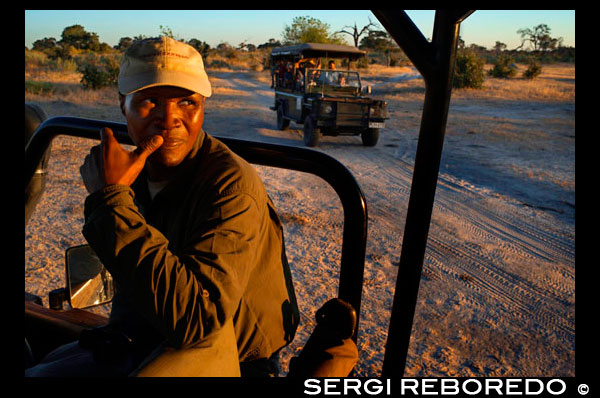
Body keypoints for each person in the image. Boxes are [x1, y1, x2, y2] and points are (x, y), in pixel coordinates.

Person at [25, 36, 299, 377]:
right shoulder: (134, 170)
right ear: (121, 104)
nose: (169, 119)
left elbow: (200, 323)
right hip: (150, 336)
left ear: (203, 107)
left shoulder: (230, 187)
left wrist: (110, 201)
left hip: (231, 360)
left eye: (187, 103)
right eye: (149, 101)